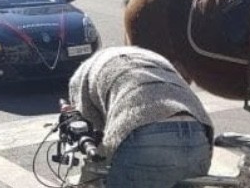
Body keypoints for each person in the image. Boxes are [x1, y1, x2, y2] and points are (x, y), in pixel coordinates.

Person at [68, 45, 214, 188]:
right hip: (198, 135)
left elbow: (92, 130)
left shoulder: (81, 78)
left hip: (144, 135)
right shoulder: (151, 59)